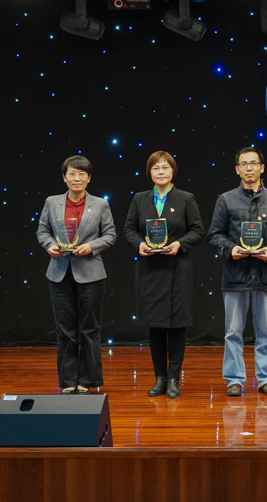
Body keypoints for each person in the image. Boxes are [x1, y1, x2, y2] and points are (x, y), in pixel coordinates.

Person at [207, 147, 267, 397]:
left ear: (262, 168)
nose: (249, 168)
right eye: (244, 164)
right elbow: (214, 235)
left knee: (266, 330)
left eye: (254, 163)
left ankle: (266, 378)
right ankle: (234, 380)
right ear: (237, 170)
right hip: (235, 274)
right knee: (233, 331)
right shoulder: (226, 199)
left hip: (266, 273)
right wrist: (230, 249)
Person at [123, 151, 205, 399]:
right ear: (149, 172)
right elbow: (128, 229)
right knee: (155, 327)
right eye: (156, 168)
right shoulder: (140, 199)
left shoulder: (185, 198)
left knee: (177, 327)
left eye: (165, 167)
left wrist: (179, 244)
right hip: (149, 270)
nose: (161, 172)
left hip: (177, 269)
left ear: (173, 171)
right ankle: (159, 378)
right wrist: (139, 244)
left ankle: (173, 379)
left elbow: (198, 230)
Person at [37, 155, 117, 394]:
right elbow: (42, 230)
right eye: (72, 173)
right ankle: (68, 381)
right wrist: (50, 245)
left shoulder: (100, 204)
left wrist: (91, 246)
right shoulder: (52, 202)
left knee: (89, 329)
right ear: (64, 177)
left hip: (91, 273)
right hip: (59, 273)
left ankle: (87, 380)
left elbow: (110, 235)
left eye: (82, 174)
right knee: (65, 330)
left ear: (89, 178)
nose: (77, 178)